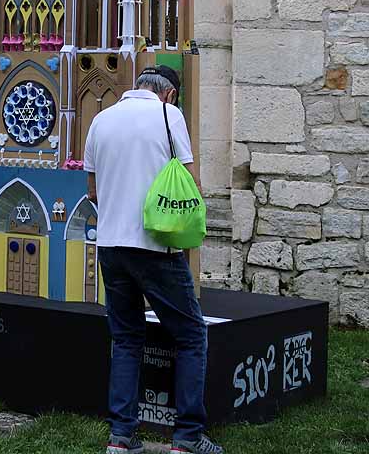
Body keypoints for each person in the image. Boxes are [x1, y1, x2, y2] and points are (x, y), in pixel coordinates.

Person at [83, 65, 220, 454]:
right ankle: (187, 437)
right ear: (169, 94)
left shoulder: (101, 120)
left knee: (126, 339)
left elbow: (91, 191)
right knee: (191, 335)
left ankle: (121, 437)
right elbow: (190, 184)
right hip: (156, 246)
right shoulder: (168, 115)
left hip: (111, 245)